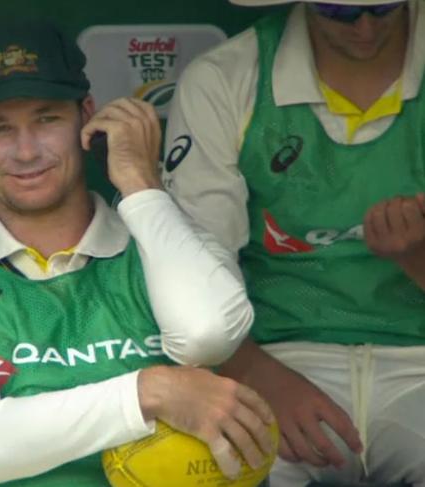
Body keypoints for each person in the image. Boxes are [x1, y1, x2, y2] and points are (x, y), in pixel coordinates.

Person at [0, 20, 276, 487]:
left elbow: (209, 336)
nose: (26, 152)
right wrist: (151, 391)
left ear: (86, 116)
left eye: (47, 119)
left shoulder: (172, 243)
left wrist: (141, 186)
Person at [163, 0, 425, 485]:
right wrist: (254, 372)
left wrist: (417, 259)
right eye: (339, 14)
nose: (365, 28)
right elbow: (194, 275)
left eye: (385, 9)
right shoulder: (226, 78)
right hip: (278, 353)